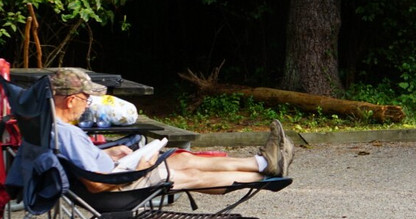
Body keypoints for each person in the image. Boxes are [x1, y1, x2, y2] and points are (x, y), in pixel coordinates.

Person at [48, 68, 294, 194]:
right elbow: (96, 186)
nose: (88, 103)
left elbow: (85, 164)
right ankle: (267, 177)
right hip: (120, 188)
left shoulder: (55, 127)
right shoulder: (68, 133)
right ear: (70, 100)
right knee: (189, 175)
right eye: (86, 98)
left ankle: (263, 163)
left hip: (117, 173)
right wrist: (141, 166)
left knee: (183, 159)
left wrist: (111, 153)